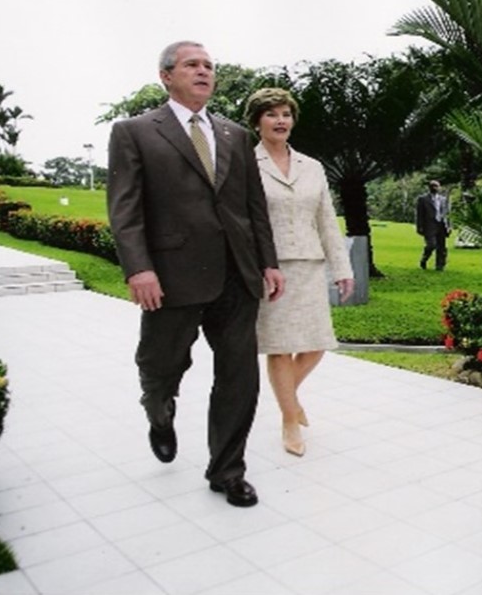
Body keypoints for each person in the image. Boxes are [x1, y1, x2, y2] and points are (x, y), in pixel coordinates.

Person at [107, 41, 284, 508]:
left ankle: (227, 471)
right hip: (171, 277)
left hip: (236, 276)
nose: (204, 71)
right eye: (192, 65)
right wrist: (139, 268)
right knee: (161, 366)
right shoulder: (135, 132)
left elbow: (253, 207)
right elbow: (124, 210)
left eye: (209, 66)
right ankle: (159, 410)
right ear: (166, 76)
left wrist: (268, 260)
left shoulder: (234, 135)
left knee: (239, 378)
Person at [246, 88, 355, 456]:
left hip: (310, 265)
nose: (280, 121)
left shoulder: (313, 167)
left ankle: (289, 400)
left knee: (316, 343)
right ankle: (290, 420)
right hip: (270, 269)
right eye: (271, 114)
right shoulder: (247, 164)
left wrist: (343, 268)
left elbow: (326, 220)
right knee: (279, 348)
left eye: (286, 114)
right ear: (257, 121)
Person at [415, 180, 451, 270]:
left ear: (439, 187)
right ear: (429, 187)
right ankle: (424, 259)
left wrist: (449, 226)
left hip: (442, 225)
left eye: (436, 186)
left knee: (441, 247)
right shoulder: (423, 199)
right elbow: (419, 214)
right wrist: (419, 226)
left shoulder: (444, 199)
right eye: (433, 186)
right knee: (431, 245)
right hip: (429, 226)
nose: (435, 188)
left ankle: (440, 265)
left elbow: (448, 214)